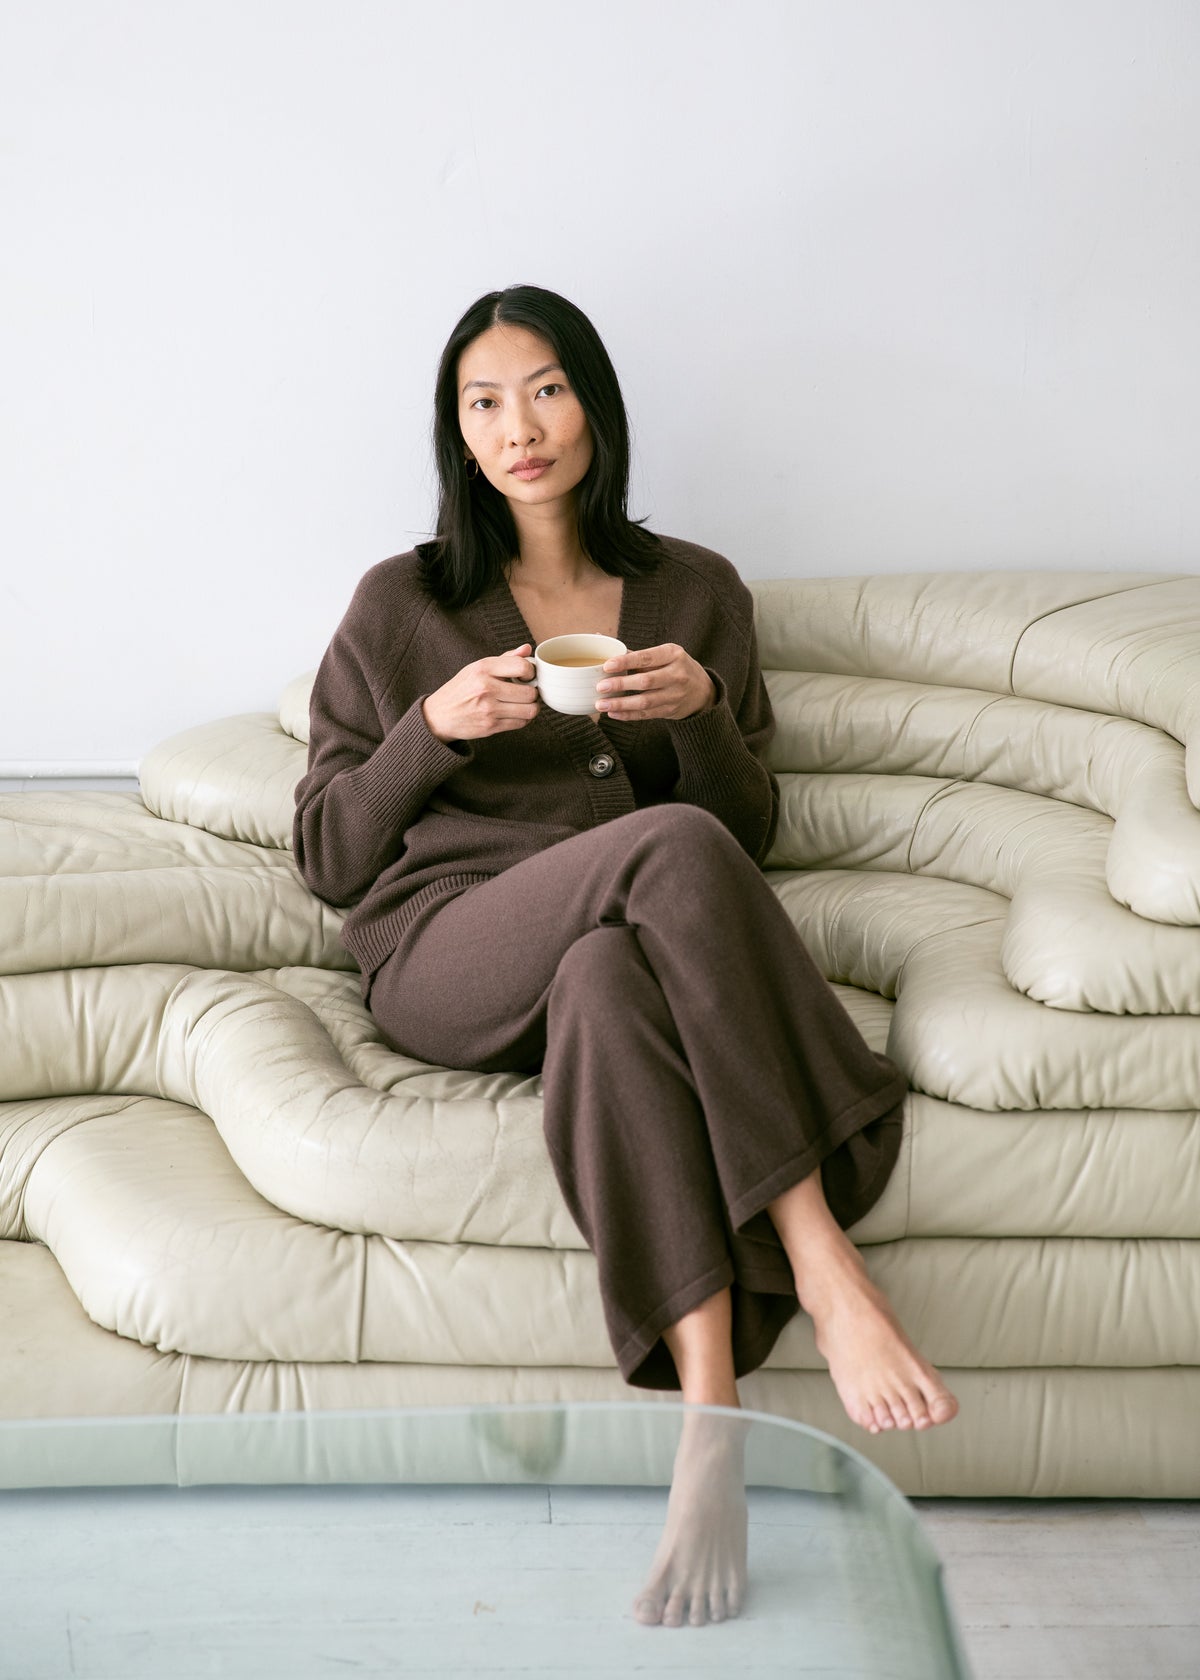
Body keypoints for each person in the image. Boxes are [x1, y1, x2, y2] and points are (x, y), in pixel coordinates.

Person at [293, 283, 958, 1629]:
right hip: (448, 949)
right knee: (659, 850)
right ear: (456, 432)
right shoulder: (403, 603)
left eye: (543, 388)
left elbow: (741, 841)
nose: (516, 426)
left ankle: (707, 1436)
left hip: (609, 956)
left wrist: (706, 720)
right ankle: (821, 1255)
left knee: (614, 967)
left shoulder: (695, 592)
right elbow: (326, 853)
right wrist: (430, 728)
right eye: (482, 402)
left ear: (591, 401)